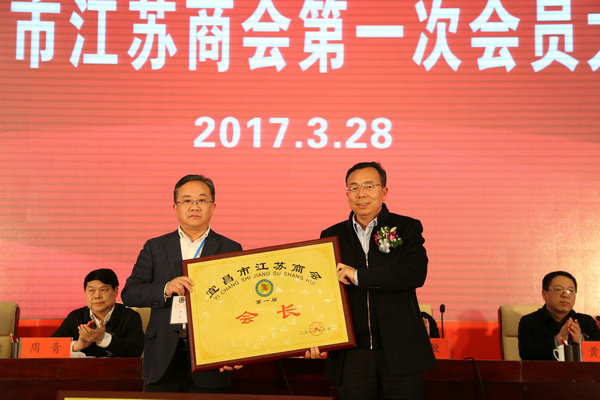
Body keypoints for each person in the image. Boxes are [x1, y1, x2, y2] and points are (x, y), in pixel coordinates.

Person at [307, 162, 436, 400]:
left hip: (401, 349)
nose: (361, 193)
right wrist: (313, 336)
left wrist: (359, 276)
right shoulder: (332, 236)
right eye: (353, 187)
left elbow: (414, 273)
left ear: (384, 191)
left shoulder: (406, 228)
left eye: (369, 186)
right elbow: (321, 292)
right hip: (352, 352)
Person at [121, 174, 242, 393]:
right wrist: (164, 288)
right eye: (187, 200)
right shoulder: (155, 247)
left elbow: (238, 304)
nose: (194, 206)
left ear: (213, 206)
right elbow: (130, 293)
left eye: (202, 200)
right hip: (162, 355)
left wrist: (234, 349)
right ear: (175, 207)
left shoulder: (230, 248)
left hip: (211, 355)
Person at [51, 268, 144, 358]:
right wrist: (77, 345)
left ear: (115, 291)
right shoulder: (76, 317)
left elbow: (136, 350)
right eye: (91, 290)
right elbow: (50, 347)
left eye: (103, 290)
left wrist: (103, 338)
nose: (97, 296)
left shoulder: (129, 317)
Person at [518, 270, 600, 360]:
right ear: (544, 295)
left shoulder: (586, 321)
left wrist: (582, 340)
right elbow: (526, 354)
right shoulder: (529, 322)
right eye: (558, 289)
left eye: (570, 291)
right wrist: (557, 340)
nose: (565, 295)